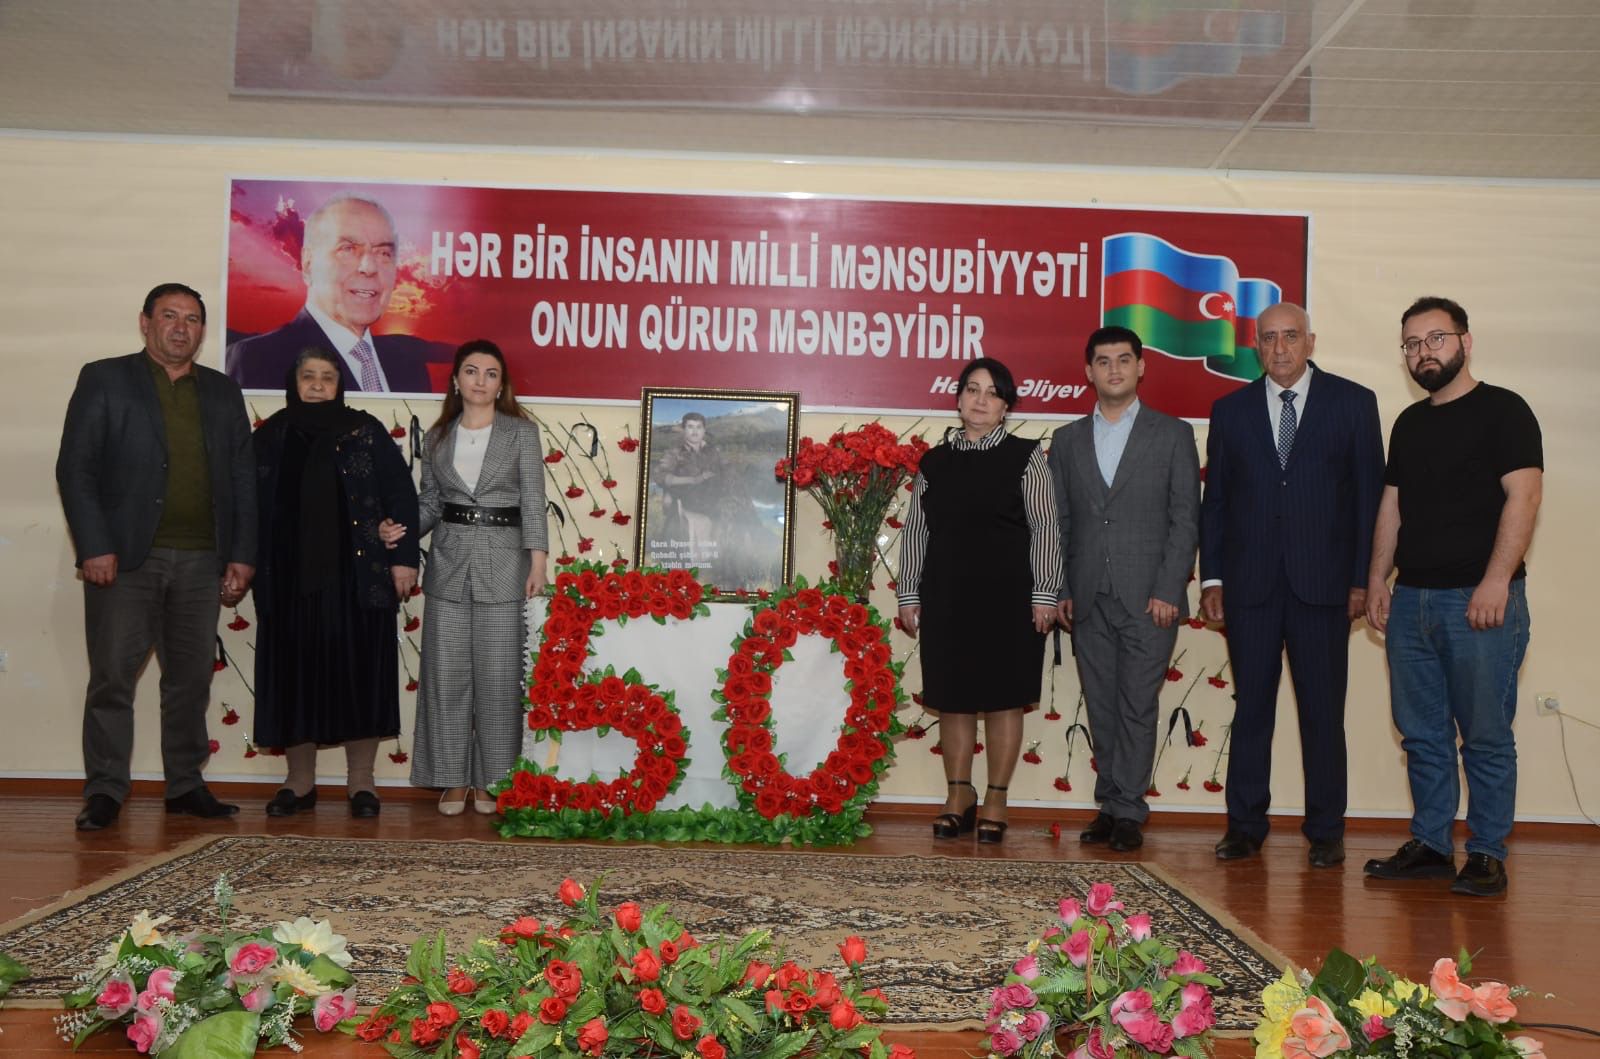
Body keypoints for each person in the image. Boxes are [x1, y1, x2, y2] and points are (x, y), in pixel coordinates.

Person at [55, 283, 257, 831]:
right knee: (112, 679)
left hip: (201, 560)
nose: (180, 328)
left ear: (202, 330)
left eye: (191, 319)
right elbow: (76, 468)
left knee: (190, 681)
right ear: (145, 322)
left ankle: (185, 785)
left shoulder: (222, 391)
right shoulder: (105, 378)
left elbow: (243, 477)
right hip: (124, 560)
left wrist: (242, 553)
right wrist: (94, 545)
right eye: (169, 315)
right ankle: (105, 789)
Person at [1364, 296, 1542, 897]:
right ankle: (1432, 846)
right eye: (1413, 344)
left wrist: (1497, 580)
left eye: (1435, 339)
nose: (1424, 352)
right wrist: (1377, 579)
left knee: (1486, 735)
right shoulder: (1409, 424)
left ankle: (1487, 853)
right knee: (1421, 735)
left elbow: (1524, 498)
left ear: (1465, 341)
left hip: (1479, 601)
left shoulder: (1505, 411)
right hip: (1412, 601)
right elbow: (1392, 506)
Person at [1199, 302, 1384, 867]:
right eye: (1269, 338)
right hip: (1249, 588)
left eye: (1290, 336)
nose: (1279, 348)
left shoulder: (1353, 403)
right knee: (1252, 710)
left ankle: (1326, 830)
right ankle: (1244, 826)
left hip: (1325, 589)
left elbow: (1369, 500)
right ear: (1256, 345)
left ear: (1311, 341)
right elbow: (1217, 503)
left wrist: (1363, 579)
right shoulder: (1229, 410)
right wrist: (1213, 576)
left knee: (1322, 714)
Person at [1047, 326, 1200, 853]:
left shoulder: (1172, 434)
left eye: (1124, 359)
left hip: (1150, 599)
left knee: (1137, 704)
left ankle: (1130, 809)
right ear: (1088, 371)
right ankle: (1109, 806)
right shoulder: (1067, 440)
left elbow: (1185, 519)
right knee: (1102, 706)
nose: (1114, 369)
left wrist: (1169, 588)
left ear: (1140, 367)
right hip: (1087, 596)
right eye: (1103, 361)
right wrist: (1061, 587)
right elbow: (1060, 522)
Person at [250, 349, 420, 818]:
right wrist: (238, 562)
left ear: (340, 385)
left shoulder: (365, 431)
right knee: (294, 678)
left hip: (358, 581)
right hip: (289, 581)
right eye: (309, 376)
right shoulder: (271, 436)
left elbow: (401, 496)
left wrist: (404, 560)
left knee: (359, 676)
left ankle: (361, 783)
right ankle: (299, 782)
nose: (318, 385)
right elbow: (246, 503)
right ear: (294, 382)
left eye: (327, 377)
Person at [897, 357, 1061, 844]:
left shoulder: (1027, 456)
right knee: (953, 700)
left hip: (1011, 599)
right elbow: (916, 532)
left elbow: (1045, 527)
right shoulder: (933, 462)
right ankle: (958, 795)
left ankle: (996, 799)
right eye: (972, 389)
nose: (981, 400)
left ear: (1006, 405)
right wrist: (909, 593)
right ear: (959, 398)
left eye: (992, 392)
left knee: (1004, 700)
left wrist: (1044, 594)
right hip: (947, 596)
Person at [410, 339, 549, 815]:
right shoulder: (437, 436)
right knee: (445, 676)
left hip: (506, 566)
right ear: (456, 379)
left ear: (501, 384)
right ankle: (451, 780)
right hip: (448, 566)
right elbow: (431, 502)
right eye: (471, 371)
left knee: (498, 679)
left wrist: (538, 563)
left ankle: (492, 781)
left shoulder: (521, 433)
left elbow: (533, 501)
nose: (480, 381)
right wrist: (401, 528)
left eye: (491, 374)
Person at [225, 193, 441, 392]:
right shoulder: (257, 359)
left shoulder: (409, 366)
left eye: (384, 253)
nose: (369, 267)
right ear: (308, 263)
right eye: (348, 249)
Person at [657, 412, 723, 566]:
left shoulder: (713, 452)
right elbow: (661, 476)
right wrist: (693, 480)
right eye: (690, 427)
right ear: (684, 430)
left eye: (699, 427)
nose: (695, 431)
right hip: (687, 502)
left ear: (704, 430)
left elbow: (724, 473)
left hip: (713, 501)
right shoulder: (675, 452)